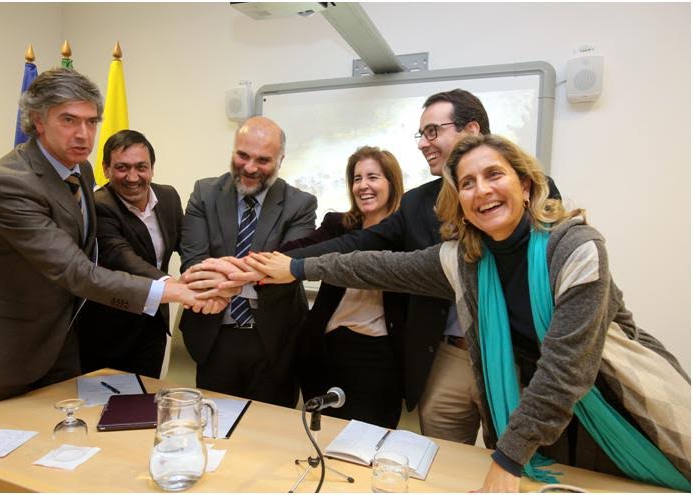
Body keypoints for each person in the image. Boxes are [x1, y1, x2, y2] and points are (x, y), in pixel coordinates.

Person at [223, 134, 690, 492]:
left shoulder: (576, 248)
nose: (481, 190)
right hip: (538, 417)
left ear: (525, 185)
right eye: (466, 182)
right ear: (459, 202)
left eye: (494, 175)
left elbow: (566, 371)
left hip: (618, 402)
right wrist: (296, 266)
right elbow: (375, 264)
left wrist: (506, 459)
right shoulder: (464, 259)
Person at [0, 68, 212, 411]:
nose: (83, 134)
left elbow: (88, 250)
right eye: (69, 120)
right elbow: (77, 270)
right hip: (5, 343)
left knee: (65, 443)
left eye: (92, 122)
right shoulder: (10, 184)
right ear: (38, 120)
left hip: (60, 337)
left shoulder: (81, 169)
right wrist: (175, 290)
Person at [281, 89, 492, 443]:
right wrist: (279, 262)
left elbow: (379, 266)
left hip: (503, 353)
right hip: (445, 354)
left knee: (512, 461)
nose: (424, 144)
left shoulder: (524, 191)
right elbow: (354, 247)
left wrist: (294, 268)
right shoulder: (419, 204)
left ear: (470, 130)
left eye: (432, 132)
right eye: (422, 135)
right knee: (444, 460)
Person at [178, 115, 317, 408]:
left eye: (263, 160)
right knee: (215, 430)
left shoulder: (300, 204)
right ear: (233, 151)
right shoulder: (204, 194)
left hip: (275, 340)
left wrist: (225, 277)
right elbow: (194, 264)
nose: (250, 168)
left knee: (271, 436)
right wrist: (249, 274)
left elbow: (288, 266)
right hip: (215, 336)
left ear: (281, 160)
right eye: (243, 155)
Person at [281, 146, 406, 428]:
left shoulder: (407, 233)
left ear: (392, 183)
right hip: (324, 348)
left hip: (379, 356)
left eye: (372, 177)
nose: (363, 185)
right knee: (320, 435)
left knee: (368, 442)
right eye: (357, 178)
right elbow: (302, 248)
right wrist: (256, 263)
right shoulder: (339, 224)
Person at [78, 130, 184, 378]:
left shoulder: (168, 196)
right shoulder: (99, 205)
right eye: (122, 168)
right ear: (105, 169)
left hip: (153, 326)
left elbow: (187, 245)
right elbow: (122, 257)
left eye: (141, 167)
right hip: (108, 331)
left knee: (145, 404)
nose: (133, 177)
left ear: (152, 168)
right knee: (103, 410)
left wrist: (206, 274)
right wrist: (177, 287)